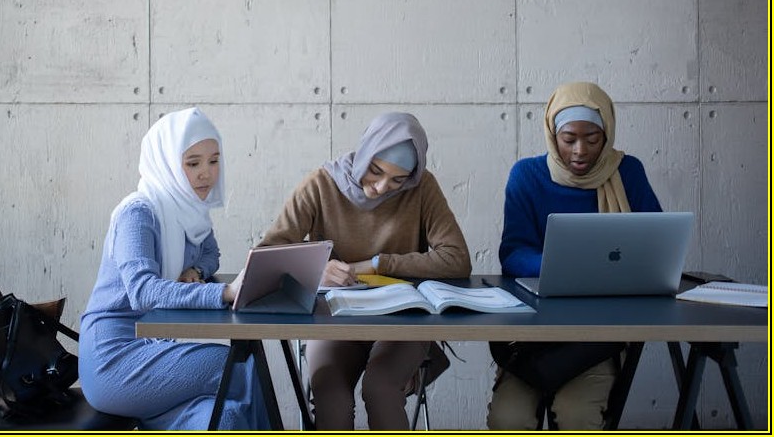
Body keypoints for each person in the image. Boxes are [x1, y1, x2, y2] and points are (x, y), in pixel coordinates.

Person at [258, 111, 472, 430]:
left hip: (403, 319)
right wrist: (318, 269)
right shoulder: (321, 184)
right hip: (334, 319)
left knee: (381, 389)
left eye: (398, 180)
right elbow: (267, 256)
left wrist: (379, 263)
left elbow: (457, 260)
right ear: (365, 152)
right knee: (333, 400)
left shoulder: (423, 187)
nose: (382, 187)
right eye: (375, 171)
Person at [78, 108, 270, 430]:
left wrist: (195, 270)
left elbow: (212, 253)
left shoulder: (190, 211)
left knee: (226, 416)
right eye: (192, 163)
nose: (206, 174)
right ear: (167, 162)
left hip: (155, 350)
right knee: (239, 369)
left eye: (214, 160)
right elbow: (143, 291)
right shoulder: (137, 214)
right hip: (115, 358)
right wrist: (224, 291)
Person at [487, 81, 662, 430]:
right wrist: (567, 267)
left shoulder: (627, 172)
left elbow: (656, 246)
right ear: (553, 134)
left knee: (577, 416)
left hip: (599, 333)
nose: (580, 150)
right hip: (534, 333)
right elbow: (513, 253)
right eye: (569, 140)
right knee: (509, 419)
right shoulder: (528, 175)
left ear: (607, 133)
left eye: (593, 139)